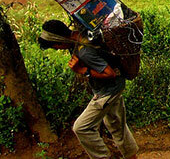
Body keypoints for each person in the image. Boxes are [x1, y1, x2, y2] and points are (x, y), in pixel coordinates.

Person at [39, 20, 138, 159]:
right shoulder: (82, 34)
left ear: (60, 41)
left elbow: (110, 73)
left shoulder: (84, 51)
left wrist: (83, 70)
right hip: (116, 86)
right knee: (116, 124)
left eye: (55, 47)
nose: (57, 49)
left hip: (108, 91)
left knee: (81, 128)